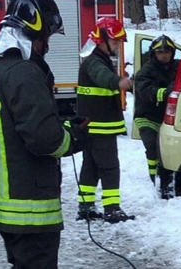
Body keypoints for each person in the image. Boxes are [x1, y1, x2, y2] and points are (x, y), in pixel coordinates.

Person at [0, 0, 82, 268]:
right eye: (47, 36)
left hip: (3, 199)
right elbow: (44, 139)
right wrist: (73, 137)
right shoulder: (23, 72)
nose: (47, 45)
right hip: (29, 204)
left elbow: (14, 124)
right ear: (36, 30)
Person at [75, 17, 135, 223]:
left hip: (93, 127)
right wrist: (119, 82)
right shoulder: (95, 63)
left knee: (90, 167)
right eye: (116, 41)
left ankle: (86, 206)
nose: (118, 46)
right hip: (101, 128)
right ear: (102, 39)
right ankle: (112, 208)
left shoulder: (97, 60)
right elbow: (103, 78)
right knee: (109, 167)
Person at [134, 34, 181, 199]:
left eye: (167, 51)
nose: (164, 54)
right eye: (160, 51)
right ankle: (153, 181)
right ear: (153, 53)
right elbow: (147, 92)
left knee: (167, 151)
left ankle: (165, 183)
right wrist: (167, 92)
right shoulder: (145, 72)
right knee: (153, 148)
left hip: (168, 119)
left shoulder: (178, 67)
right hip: (147, 117)